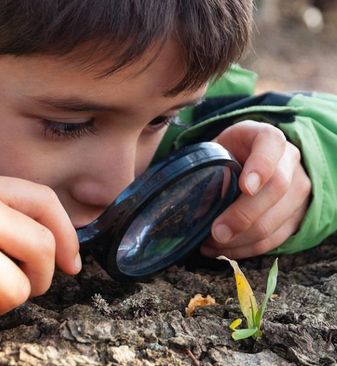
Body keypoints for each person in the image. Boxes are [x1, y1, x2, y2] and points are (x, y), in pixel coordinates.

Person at [0, 0, 325, 315]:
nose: (120, 186)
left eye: (161, 121)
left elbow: (322, 116)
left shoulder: (164, 74)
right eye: (67, 126)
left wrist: (305, 164)